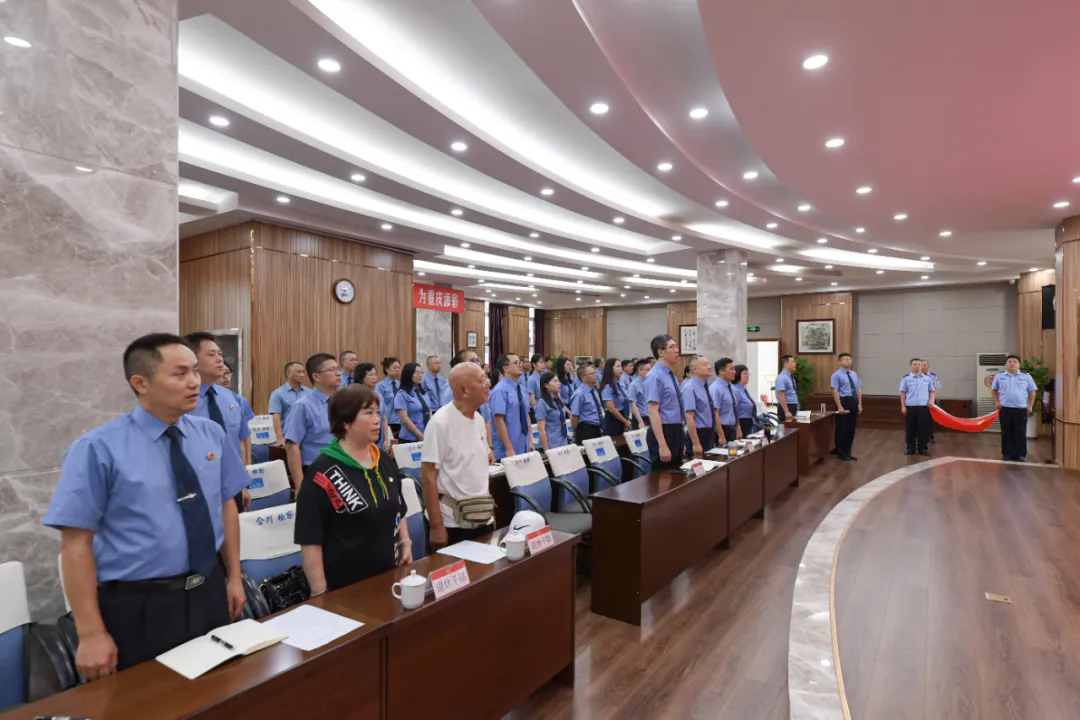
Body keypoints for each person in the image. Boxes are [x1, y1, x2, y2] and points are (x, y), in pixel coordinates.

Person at [44, 333, 248, 678]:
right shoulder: (97, 448)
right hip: (139, 605)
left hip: (208, 589)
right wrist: (90, 633)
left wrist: (234, 577)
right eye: (180, 373)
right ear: (140, 383)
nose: (194, 382)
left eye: (195, 371)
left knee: (217, 688)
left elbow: (226, 505)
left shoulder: (210, 434)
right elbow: (75, 545)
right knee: (148, 698)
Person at [295, 385, 411, 594]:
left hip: (388, 576)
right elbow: (310, 539)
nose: (377, 420)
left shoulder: (383, 460)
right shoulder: (322, 473)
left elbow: (399, 507)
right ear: (346, 422)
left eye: (377, 412)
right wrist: (320, 592)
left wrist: (405, 540)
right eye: (368, 413)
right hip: (345, 587)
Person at [421, 362, 496, 548]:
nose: (487, 384)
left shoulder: (479, 420)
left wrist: (489, 513)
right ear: (464, 390)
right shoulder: (440, 423)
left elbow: (477, 471)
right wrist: (436, 525)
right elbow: (428, 476)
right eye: (481, 380)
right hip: (452, 522)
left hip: (482, 515)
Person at [185, 333, 252, 467]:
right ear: (192, 359)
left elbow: (240, 442)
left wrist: (243, 474)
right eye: (212, 354)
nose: (219, 359)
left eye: (220, 354)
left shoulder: (232, 398)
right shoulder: (180, 401)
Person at [284, 353, 340, 487]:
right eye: (332, 370)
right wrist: (300, 485)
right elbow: (292, 446)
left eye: (338, 369)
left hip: (341, 470)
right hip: (316, 473)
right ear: (316, 376)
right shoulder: (302, 406)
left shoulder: (341, 402)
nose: (338, 373)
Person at [644, 334, 685, 469]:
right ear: (661, 352)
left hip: (676, 429)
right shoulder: (654, 376)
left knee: (677, 474)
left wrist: (680, 439)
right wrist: (662, 444)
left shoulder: (670, 375)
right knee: (663, 476)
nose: (677, 350)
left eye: (676, 346)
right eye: (672, 347)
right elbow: (653, 411)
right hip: (664, 431)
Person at [992, 354, 1036, 462]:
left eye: (1015, 362)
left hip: (1020, 409)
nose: (1012, 363)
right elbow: (994, 390)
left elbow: (1032, 391)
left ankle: (1020, 455)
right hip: (1005, 408)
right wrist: (996, 402)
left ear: (1019, 364)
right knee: (1006, 431)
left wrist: (1030, 406)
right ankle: (1007, 454)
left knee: (1020, 432)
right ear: (1006, 364)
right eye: (1010, 361)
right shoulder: (999, 376)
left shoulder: (1026, 376)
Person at [490, 353, 531, 459]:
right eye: (516, 363)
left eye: (520, 362)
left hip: (523, 444)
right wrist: (508, 448)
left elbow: (527, 416)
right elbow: (498, 420)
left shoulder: (523, 389)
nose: (520, 365)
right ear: (506, 368)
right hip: (507, 449)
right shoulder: (500, 390)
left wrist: (530, 441)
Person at [830, 353, 863, 461]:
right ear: (840, 361)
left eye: (849, 359)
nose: (848, 361)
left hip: (853, 401)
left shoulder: (854, 374)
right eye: (845, 359)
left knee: (851, 429)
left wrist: (859, 404)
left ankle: (848, 451)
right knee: (841, 429)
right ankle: (840, 452)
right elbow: (835, 391)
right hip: (843, 401)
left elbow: (858, 389)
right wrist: (839, 406)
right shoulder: (836, 375)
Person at [899, 357, 935, 456]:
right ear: (911, 366)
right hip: (911, 407)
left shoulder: (927, 378)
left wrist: (932, 401)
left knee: (923, 429)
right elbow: (903, 394)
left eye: (919, 364)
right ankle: (910, 448)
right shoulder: (906, 379)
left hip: (924, 407)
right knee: (910, 428)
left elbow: (932, 392)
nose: (917, 366)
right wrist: (903, 406)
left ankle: (922, 448)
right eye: (915, 364)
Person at [354, 362, 393, 453]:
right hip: (363, 440)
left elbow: (384, 418)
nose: (374, 377)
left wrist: (386, 439)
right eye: (371, 375)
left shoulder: (378, 394)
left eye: (375, 374)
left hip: (380, 439)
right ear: (362, 377)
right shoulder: (356, 395)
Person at [683, 355, 717, 456]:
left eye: (708, 364)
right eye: (705, 365)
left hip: (709, 432)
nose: (709, 367)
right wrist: (696, 443)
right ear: (694, 369)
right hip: (698, 433)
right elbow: (689, 417)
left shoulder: (705, 386)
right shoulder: (690, 388)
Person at [268, 362, 308, 449]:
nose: (302, 375)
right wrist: (280, 439)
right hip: (289, 438)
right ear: (288, 374)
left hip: (308, 437)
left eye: (303, 372)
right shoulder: (278, 394)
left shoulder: (309, 393)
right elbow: (276, 417)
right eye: (298, 372)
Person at [395, 362, 433, 442]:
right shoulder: (401, 394)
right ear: (408, 374)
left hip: (426, 434)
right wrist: (419, 435)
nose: (420, 375)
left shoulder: (424, 393)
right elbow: (404, 419)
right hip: (409, 438)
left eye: (421, 373)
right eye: (417, 373)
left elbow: (429, 412)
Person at [571, 362, 605, 442]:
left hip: (597, 427)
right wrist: (575, 432)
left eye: (595, 373)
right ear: (583, 377)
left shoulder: (594, 391)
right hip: (586, 429)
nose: (595, 375)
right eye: (592, 373)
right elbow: (575, 417)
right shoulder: (579, 394)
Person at [535, 371, 568, 452]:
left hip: (563, 442)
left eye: (558, 381)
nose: (558, 383)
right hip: (551, 445)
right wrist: (546, 451)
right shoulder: (542, 403)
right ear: (546, 385)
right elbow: (541, 429)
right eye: (555, 381)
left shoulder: (558, 401)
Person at [600, 358, 632, 437]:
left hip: (622, 417)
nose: (621, 368)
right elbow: (611, 408)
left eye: (621, 366)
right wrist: (625, 421)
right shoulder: (608, 385)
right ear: (610, 369)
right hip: (613, 420)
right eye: (618, 366)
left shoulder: (618, 384)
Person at [710, 357, 740, 443]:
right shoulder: (715, 388)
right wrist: (721, 436)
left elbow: (734, 410)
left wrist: (738, 429)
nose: (734, 372)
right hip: (723, 430)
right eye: (731, 369)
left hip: (732, 429)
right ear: (721, 371)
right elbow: (715, 413)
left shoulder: (730, 387)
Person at [376, 357, 403, 438]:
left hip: (401, 421)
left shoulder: (401, 384)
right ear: (387, 369)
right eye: (394, 368)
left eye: (398, 368)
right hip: (388, 422)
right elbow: (379, 405)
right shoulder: (380, 386)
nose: (397, 370)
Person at [627, 358, 652, 430]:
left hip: (650, 416)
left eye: (651, 369)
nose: (650, 372)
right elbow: (633, 405)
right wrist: (640, 421)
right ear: (640, 371)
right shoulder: (633, 385)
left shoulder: (650, 383)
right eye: (647, 370)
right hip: (639, 417)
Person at [733, 364, 757, 438]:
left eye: (748, 374)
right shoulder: (735, 390)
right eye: (745, 374)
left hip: (748, 422)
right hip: (741, 423)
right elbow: (734, 411)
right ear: (737, 375)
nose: (747, 376)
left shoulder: (743, 389)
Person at [921, 360, 941, 444]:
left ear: (928, 366)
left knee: (929, 419)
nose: (922, 367)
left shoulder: (933, 376)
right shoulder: (916, 376)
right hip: (919, 401)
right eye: (921, 365)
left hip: (930, 401)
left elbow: (935, 389)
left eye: (924, 365)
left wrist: (932, 400)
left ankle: (930, 436)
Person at [775, 355, 799, 422]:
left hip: (792, 407)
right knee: (785, 428)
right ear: (785, 364)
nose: (795, 364)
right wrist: (786, 411)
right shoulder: (781, 377)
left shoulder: (790, 377)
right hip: (786, 408)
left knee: (792, 428)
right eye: (792, 362)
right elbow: (781, 395)